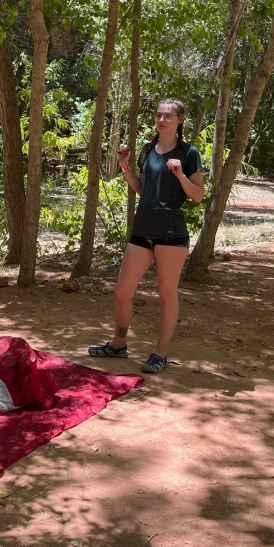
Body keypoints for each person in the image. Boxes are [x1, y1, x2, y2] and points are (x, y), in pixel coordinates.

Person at [88, 98, 205, 373]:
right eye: (159, 115)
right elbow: (143, 189)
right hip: (142, 230)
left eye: (168, 116)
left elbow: (198, 196)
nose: (162, 120)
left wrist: (179, 174)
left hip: (171, 235)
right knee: (122, 292)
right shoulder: (147, 150)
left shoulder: (189, 154)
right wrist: (125, 166)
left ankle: (159, 354)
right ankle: (118, 344)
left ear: (180, 120)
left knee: (167, 294)